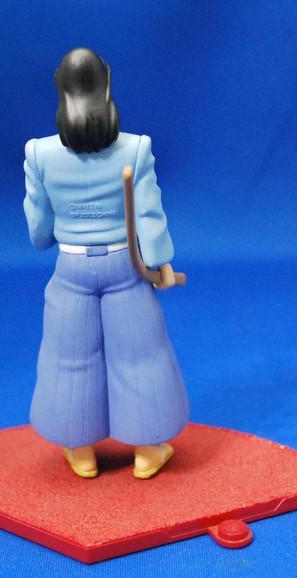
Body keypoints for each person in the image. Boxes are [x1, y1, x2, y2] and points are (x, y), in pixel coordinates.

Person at [23, 48, 189, 479]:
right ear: (107, 87)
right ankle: (148, 449)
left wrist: (54, 233)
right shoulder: (136, 148)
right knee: (140, 354)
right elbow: (149, 213)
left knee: (70, 356)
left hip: (72, 267)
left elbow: (39, 229)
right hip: (125, 267)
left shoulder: (39, 154)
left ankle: (80, 449)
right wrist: (160, 262)